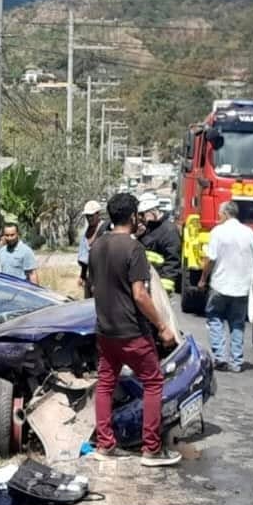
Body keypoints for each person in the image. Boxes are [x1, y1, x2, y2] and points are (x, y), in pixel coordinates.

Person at [87, 193, 181, 467]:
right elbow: (140, 294)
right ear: (133, 217)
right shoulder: (133, 248)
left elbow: (94, 287)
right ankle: (151, 449)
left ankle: (105, 444)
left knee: (105, 384)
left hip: (105, 330)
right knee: (153, 382)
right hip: (132, 331)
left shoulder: (97, 246)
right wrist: (162, 326)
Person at [199, 202, 253, 372]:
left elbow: (210, 258)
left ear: (225, 213)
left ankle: (220, 357)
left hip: (220, 284)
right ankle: (236, 362)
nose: (218, 217)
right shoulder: (249, 233)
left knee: (215, 318)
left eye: (219, 214)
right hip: (242, 286)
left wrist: (203, 279)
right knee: (237, 323)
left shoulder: (218, 232)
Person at [136, 192, 181, 294]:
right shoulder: (147, 228)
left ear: (152, 211)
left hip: (159, 284)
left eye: (142, 214)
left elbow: (172, 261)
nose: (140, 218)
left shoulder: (169, 231)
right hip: (146, 280)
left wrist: (164, 289)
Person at [77, 200, 107, 298]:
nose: (89, 218)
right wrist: (82, 275)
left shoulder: (105, 230)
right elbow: (84, 258)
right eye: (87, 216)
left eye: (91, 215)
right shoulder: (86, 233)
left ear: (98, 214)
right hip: (90, 277)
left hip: (102, 277)